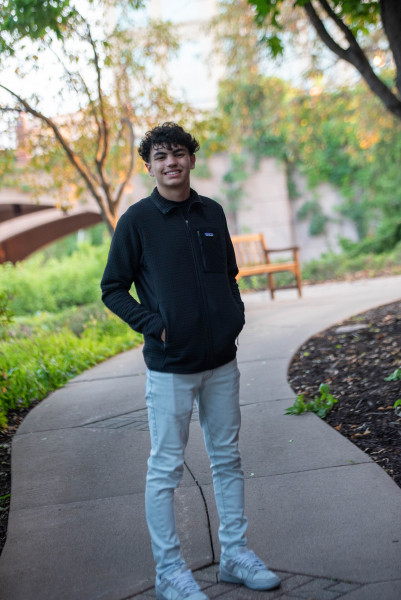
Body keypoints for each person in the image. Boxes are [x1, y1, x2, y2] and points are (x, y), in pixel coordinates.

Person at [101, 122, 281, 600]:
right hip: (170, 366)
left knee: (227, 459)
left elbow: (229, 273)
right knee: (165, 469)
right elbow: (112, 288)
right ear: (149, 167)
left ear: (191, 160)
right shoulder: (137, 222)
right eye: (160, 156)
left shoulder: (211, 212)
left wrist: (233, 317)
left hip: (221, 361)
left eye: (178, 153)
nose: (171, 163)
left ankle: (235, 555)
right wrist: (155, 325)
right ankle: (169, 573)